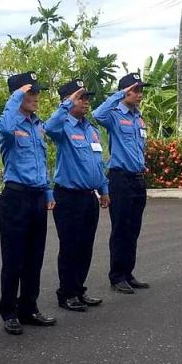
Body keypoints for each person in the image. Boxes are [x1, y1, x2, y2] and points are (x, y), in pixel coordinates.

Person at [0, 71, 57, 335]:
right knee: (14, 259)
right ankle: (8, 311)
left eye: (36, 92)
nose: (36, 97)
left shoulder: (37, 125)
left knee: (34, 257)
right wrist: (16, 97)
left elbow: (42, 162)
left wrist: (49, 191)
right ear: (17, 95)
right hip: (15, 197)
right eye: (30, 93)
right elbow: (7, 128)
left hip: (37, 196)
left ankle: (28, 307)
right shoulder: (6, 123)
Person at [44, 79, 109, 312]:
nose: (86, 102)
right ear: (68, 100)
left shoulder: (90, 129)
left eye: (86, 97)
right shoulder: (62, 127)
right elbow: (48, 128)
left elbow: (97, 163)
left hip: (88, 196)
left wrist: (104, 190)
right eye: (81, 97)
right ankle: (67, 293)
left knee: (85, 246)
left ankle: (79, 289)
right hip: (68, 196)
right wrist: (65, 106)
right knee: (70, 246)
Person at [93, 73, 150, 295]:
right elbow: (98, 114)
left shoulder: (138, 117)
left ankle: (128, 273)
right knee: (121, 229)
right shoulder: (115, 115)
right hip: (120, 179)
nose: (139, 94)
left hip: (137, 179)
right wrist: (119, 95)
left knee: (133, 229)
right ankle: (117, 276)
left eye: (140, 90)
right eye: (135, 90)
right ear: (125, 92)